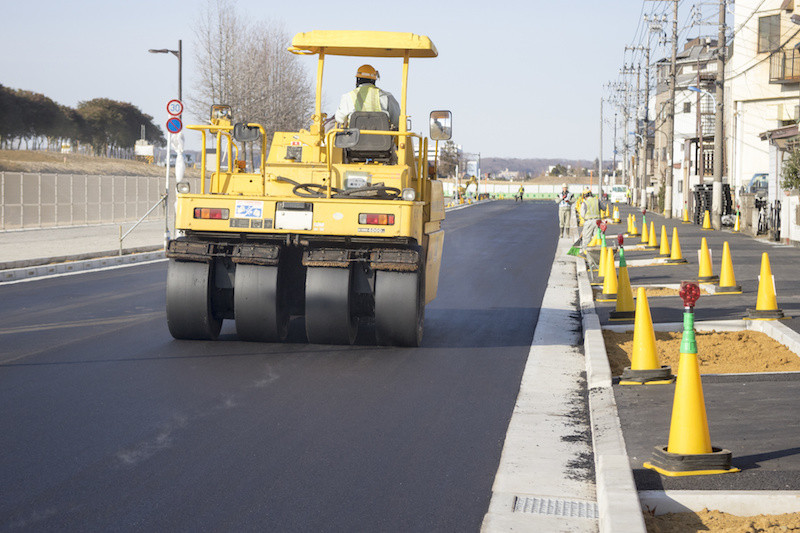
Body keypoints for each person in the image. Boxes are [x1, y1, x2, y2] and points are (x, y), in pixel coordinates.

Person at [334, 64, 401, 128]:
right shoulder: (386, 96)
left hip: (354, 138)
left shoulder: (347, 96)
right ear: (374, 80)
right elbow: (397, 120)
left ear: (358, 79)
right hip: (382, 138)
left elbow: (340, 119)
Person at [580, 188, 605, 265]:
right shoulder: (597, 200)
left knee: (586, 240)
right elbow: (604, 208)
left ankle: (588, 259)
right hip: (598, 222)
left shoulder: (585, 203)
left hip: (588, 222)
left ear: (584, 196)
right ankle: (598, 259)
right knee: (598, 239)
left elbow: (582, 214)